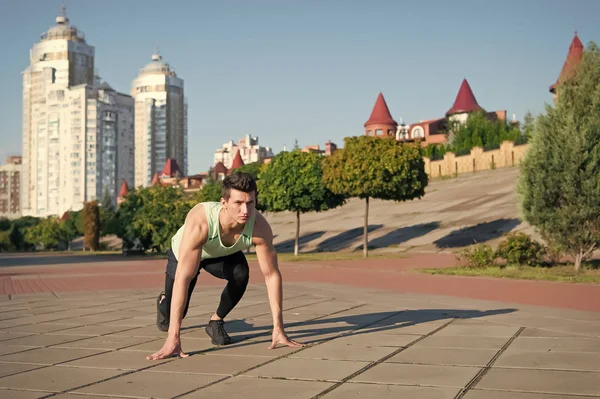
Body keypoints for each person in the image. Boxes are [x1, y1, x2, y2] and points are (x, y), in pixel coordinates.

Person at [146, 172, 303, 360]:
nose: (245, 210)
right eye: (238, 203)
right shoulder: (201, 221)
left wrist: (279, 328)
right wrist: (174, 338)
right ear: (224, 203)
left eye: (250, 203)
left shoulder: (259, 226)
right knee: (174, 314)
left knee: (241, 273)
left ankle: (216, 321)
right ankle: (164, 301)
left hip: (220, 254)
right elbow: (183, 278)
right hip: (185, 253)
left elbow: (271, 275)